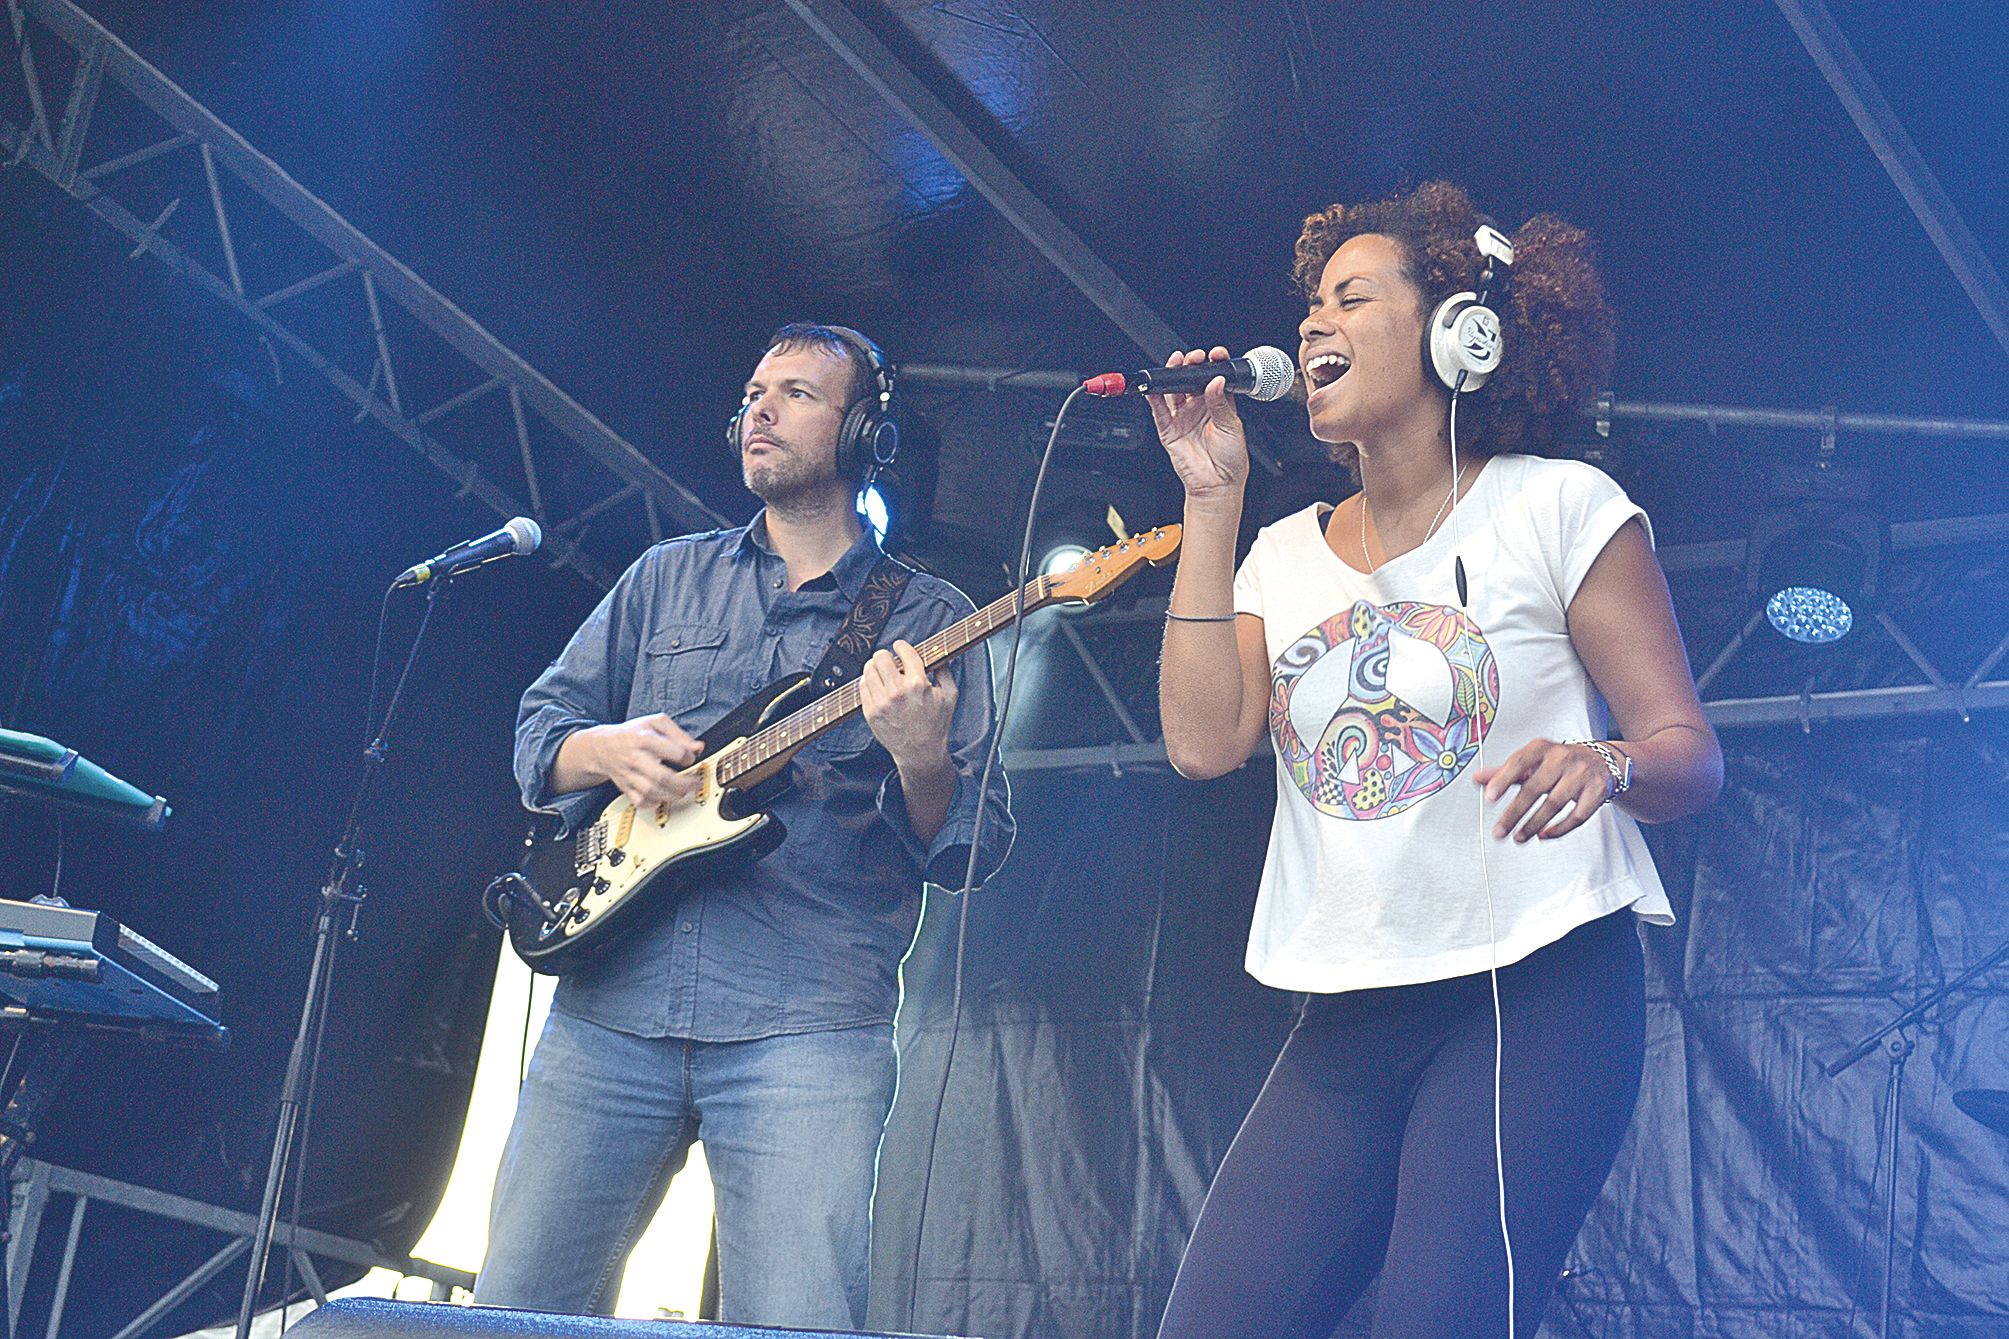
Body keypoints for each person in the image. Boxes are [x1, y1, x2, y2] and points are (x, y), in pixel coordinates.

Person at [1148, 182, 1723, 1338]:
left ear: (1462, 332)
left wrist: (1605, 764)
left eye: (1350, 298)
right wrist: (1210, 506)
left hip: (1537, 989)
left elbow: (1687, 755)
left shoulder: (1557, 507)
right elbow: (1203, 743)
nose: (1312, 324)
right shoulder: (1272, 556)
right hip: (1350, 1008)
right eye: (1308, 304)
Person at [476, 323, 1014, 1326]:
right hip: (608, 1013)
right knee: (511, 1312)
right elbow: (537, 732)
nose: (758, 410)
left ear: (862, 438)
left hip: (805, 1027)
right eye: (754, 391)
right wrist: (609, 751)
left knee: (795, 1322)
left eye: (797, 393)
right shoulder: (663, 578)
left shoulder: (924, 618)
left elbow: (972, 838)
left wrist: (920, 755)